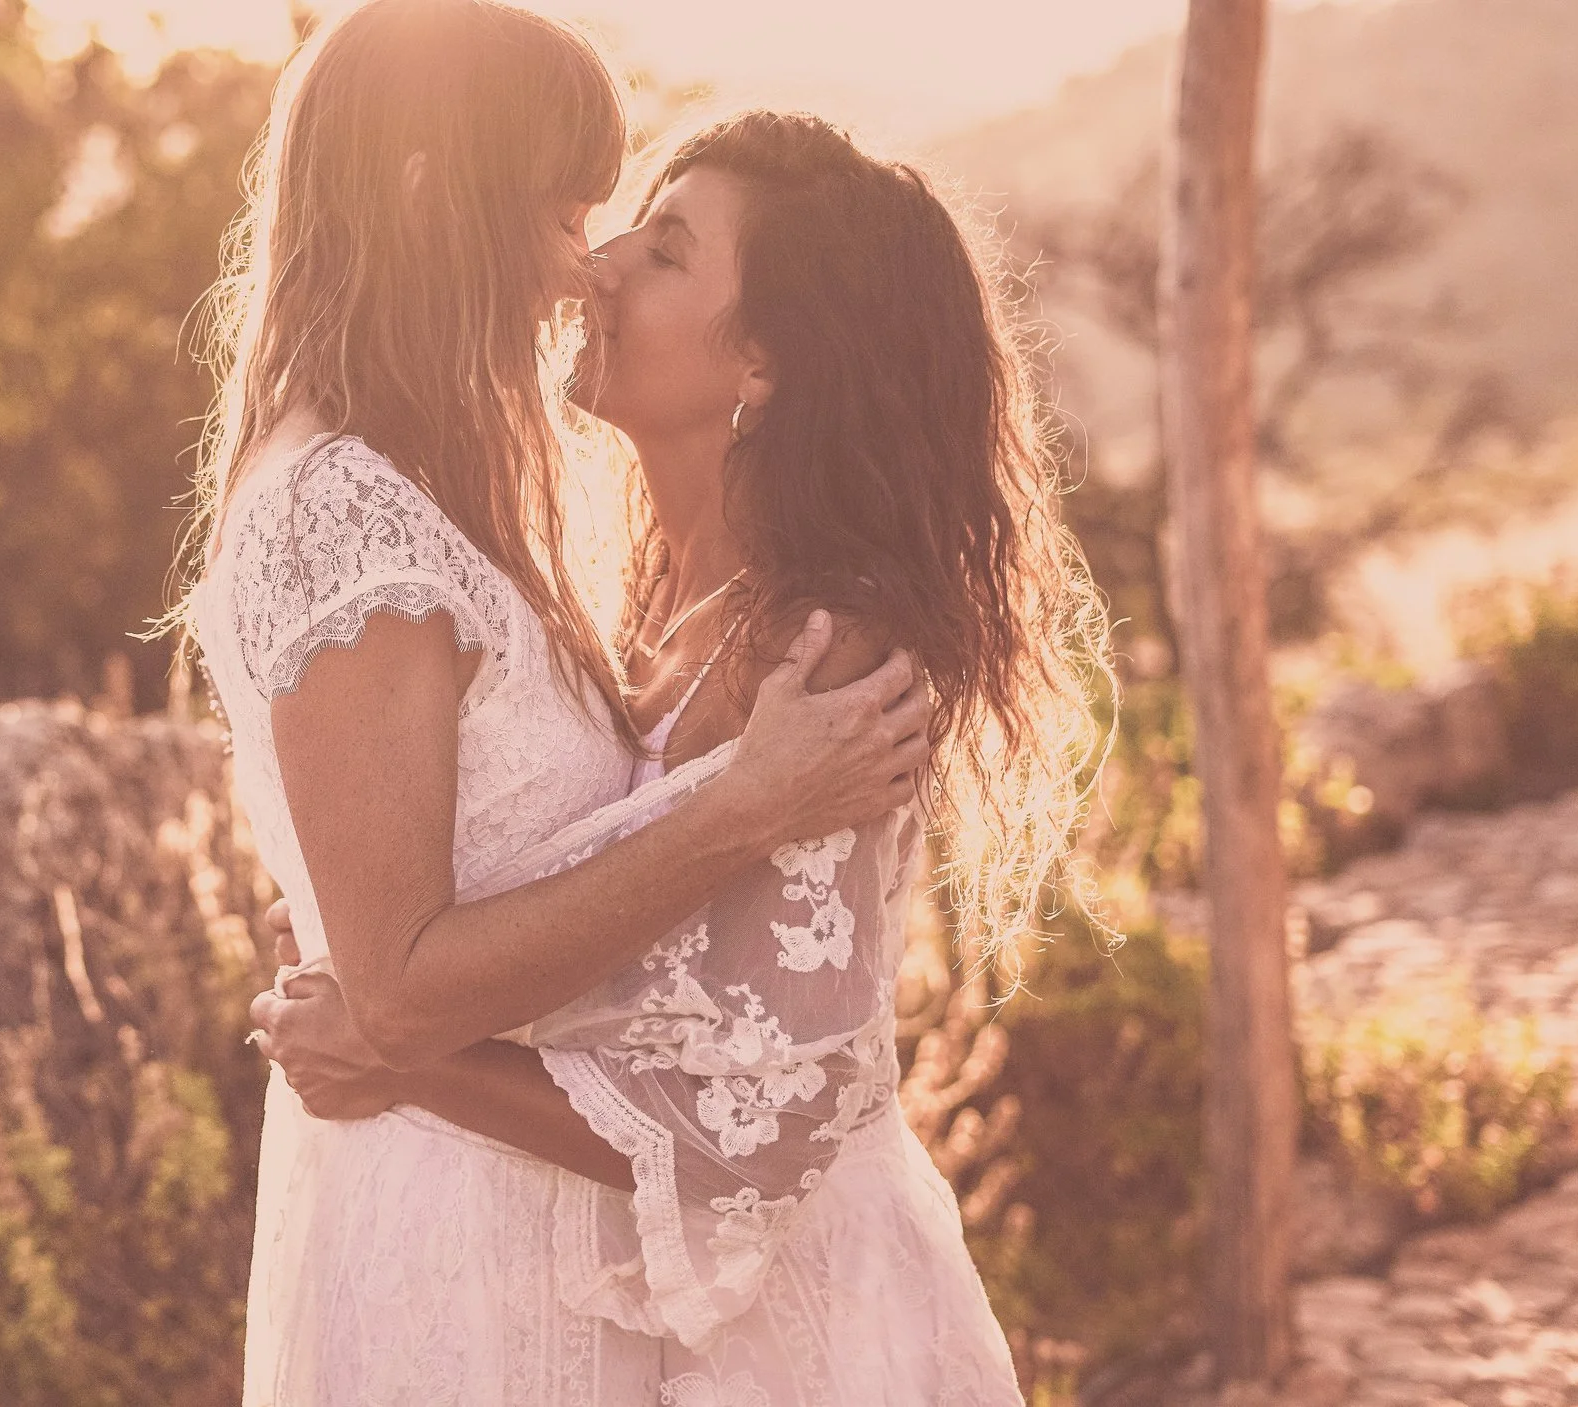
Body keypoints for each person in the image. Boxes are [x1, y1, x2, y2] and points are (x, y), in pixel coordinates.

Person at [252, 110, 1108, 1404]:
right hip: (630, 1309)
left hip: (800, 1336)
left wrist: (404, 1051)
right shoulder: (632, 607)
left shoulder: (827, 652)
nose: (597, 269)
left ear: (760, 361)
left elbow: (773, 1120)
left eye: (662, 253)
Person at [170, 8, 934, 1402]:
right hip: (463, 1256)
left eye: (640, 234)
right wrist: (742, 810)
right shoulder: (356, 512)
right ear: (425, 199)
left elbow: (772, 1090)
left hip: (562, 1254)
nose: (581, 263)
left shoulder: (700, 607)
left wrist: (399, 1034)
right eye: (564, 212)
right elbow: (401, 971)